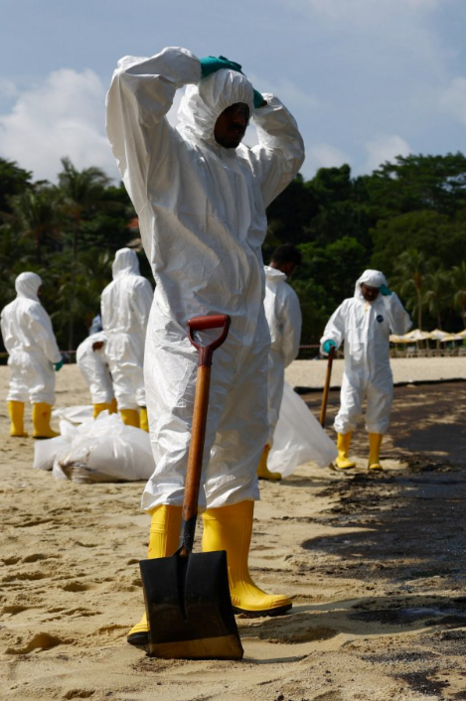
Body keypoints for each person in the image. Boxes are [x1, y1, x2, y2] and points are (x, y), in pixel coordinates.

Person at [106, 47, 304, 645]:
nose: (240, 126)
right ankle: (159, 595)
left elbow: (288, 150)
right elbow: (129, 85)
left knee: (241, 448)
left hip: (243, 330)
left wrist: (265, 104)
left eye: (244, 118)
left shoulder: (242, 167)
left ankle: (234, 579)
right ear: (206, 106)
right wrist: (194, 67)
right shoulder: (162, 155)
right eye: (232, 115)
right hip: (186, 331)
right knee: (179, 451)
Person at [320, 270, 411, 470]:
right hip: (353, 372)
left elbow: (402, 327)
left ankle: (374, 458)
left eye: (375, 291)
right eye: (367, 289)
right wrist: (329, 342)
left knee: (379, 411)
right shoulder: (348, 306)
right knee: (349, 409)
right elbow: (334, 328)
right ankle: (342, 455)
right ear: (360, 286)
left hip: (380, 372)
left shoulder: (386, 307)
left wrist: (391, 298)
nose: (370, 293)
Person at [258, 244, 303, 481]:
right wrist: (284, 360)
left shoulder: (250, 279)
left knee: (238, 404)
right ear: (288, 266)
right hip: (271, 355)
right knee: (268, 408)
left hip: (241, 352)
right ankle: (260, 465)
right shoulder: (285, 293)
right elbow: (291, 336)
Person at [2, 272, 63, 439]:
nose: (40, 291)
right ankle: (41, 429)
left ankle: (17, 428)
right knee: (41, 389)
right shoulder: (33, 307)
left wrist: (13, 352)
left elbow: (6, 334)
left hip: (15, 355)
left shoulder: (7, 309)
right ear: (33, 286)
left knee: (17, 389)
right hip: (35, 356)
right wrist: (55, 357)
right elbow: (44, 336)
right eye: (39, 287)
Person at [99, 248, 153, 430]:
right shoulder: (139, 283)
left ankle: (130, 435)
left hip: (113, 342)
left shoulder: (107, 290)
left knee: (123, 388)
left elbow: (105, 322)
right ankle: (147, 435)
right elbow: (148, 318)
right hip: (135, 339)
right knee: (144, 386)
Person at [76, 331, 115, 418]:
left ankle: (112, 416)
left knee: (109, 387)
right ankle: (100, 421)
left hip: (97, 352)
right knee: (100, 387)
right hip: (89, 353)